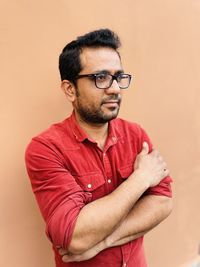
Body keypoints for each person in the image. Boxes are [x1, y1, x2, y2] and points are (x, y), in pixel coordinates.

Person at [25, 29, 173, 267]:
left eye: (118, 77)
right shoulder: (45, 149)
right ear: (70, 89)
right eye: (101, 77)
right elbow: (74, 236)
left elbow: (163, 201)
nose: (115, 88)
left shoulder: (135, 135)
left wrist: (103, 241)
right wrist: (141, 178)